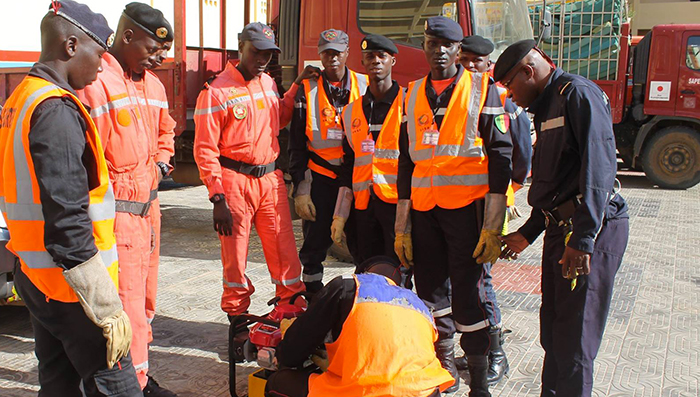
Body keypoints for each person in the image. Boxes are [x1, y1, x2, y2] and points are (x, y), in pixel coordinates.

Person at [0, 1, 141, 395]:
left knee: (59, 384)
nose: (101, 66)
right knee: (117, 385)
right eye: (99, 53)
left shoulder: (20, 100)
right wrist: (105, 308)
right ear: (71, 46)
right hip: (72, 289)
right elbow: (68, 220)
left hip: (36, 276)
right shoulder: (55, 110)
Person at [493, 40, 629, 397]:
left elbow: (599, 171)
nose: (510, 95)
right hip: (561, 230)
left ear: (529, 71)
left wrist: (582, 240)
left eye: (510, 85)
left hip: (591, 230)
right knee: (553, 331)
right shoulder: (546, 105)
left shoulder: (577, 95)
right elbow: (555, 182)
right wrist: (527, 232)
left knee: (574, 340)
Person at [193, 22, 319, 395]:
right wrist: (217, 198)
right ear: (240, 48)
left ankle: (290, 318)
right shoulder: (215, 92)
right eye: (257, 51)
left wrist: (296, 86)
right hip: (233, 183)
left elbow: (277, 118)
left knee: (284, 251)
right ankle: (237, 326)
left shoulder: (267, 82)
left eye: (268, 53)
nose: (263, 59)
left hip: (269, 180)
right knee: (235, 259)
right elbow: (204, 150)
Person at [394, 16, 514, 396]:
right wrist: (402, 226)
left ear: (459, 50)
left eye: (448, 45)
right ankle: (444, 367)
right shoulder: (410, 94)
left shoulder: (483, 89)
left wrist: (493, 226)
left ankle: (479, 380)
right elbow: (405, 162)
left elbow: (502, 157)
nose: (440, 51)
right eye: (432, 43)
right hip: (425, 212)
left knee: (469, 294)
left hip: (466, 211)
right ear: (425, 46)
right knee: (431, 291)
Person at [77, 3, 176, 395]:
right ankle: (127, 385)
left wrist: (163, 165)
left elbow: (166, 132)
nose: (161, 56)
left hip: (148, 214)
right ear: (128, 36)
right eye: (155, 46)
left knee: (146, 304)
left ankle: (138, 377)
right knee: (125, 307)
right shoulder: (94, 79)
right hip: (114, 217)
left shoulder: (154, 85)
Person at [453, 34, 534, 385]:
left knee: (482, 280)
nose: (471, 66)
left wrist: (505, 197)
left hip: (491, 207)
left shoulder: (502, 99)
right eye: (465, 59)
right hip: (458, 206)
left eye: (478, 61)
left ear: (490, 66)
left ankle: (495, 352)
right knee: (465, 280)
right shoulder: (454, 98)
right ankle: (477, 347)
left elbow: (521, 158)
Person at [266, 256, 455, 397]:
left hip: (371, 392)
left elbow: (293, 352)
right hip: (427, 391)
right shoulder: (419, 306)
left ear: (362, 275)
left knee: (277, 383)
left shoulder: (350, 286)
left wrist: (286, 342)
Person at [288, 29, 369, 292]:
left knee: (362, 243)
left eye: (337, 51)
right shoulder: (307, 89)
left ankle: (362, 298)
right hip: (320, 177)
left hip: (356, 177)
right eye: (326, 52)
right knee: (314, 246)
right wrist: (300, 189)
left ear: (347, 53)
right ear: (320, 55)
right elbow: (297, 145)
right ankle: (313, 298)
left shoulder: (364, 85)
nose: (332, 57)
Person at [330, 34, 402, 265]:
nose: (376, 61)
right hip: (363, 208)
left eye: (382, 56)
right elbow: (348, 166)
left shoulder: (409, 104)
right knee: (366, 270)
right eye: (369, 56)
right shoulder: (351, 112)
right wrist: (340, 216)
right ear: (362, 62)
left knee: (399, 273)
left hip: (398, 207)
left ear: (393, 61)